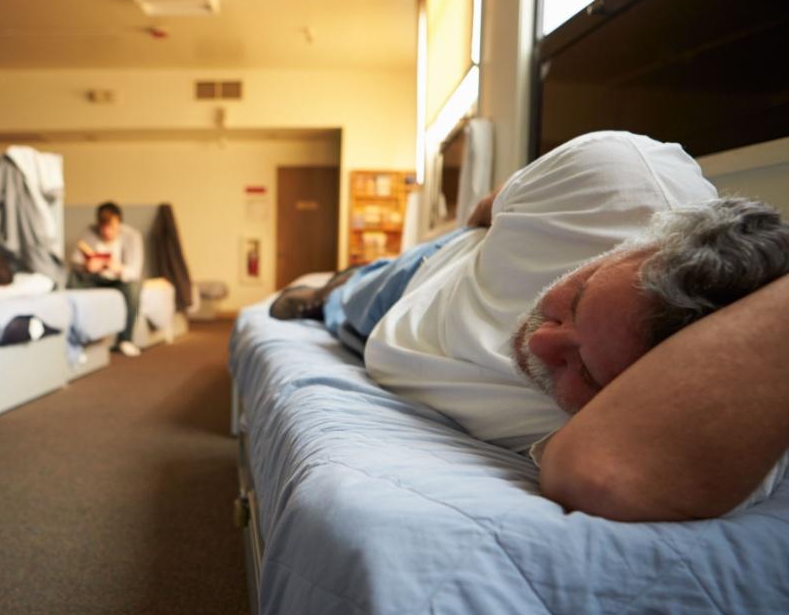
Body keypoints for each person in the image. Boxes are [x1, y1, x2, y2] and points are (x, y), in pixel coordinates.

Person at [270, 131, 789, 522]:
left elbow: (601, 475)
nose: (540, 340)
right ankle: (333, 287)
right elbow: (489, 208)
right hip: (429, 276)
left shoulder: (692, 417)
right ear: (645, 239)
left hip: (390, 341)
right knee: (346, 295)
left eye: (582, 369)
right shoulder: (619, 173)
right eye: (577, 297)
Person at [68, 201, 145, 357]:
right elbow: (75, 260)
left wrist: (118, 268)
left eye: (111, 226)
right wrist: (86, 266)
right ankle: (73, 335)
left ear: (119, 223)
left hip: (119, 281)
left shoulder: (131, 236)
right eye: (103, 226)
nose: (107, 231)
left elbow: (135, 270)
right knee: (71, 279)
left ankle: (125, 340)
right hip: (95, 279)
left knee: (134, 287)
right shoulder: (89, 232)